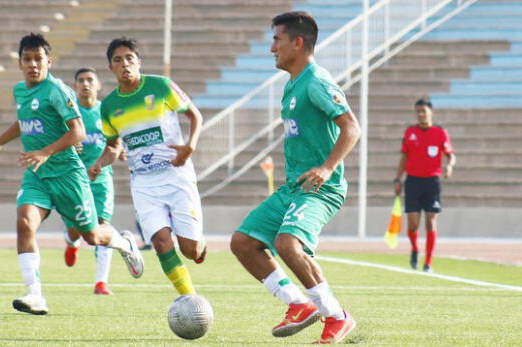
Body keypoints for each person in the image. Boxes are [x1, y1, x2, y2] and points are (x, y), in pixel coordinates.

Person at [0, 33, 144, 315]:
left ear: (48, 61)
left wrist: (45, 152)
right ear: (19, 63)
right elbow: (24, 122)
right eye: (27, 59)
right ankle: (35, 294)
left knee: (91, 236)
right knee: (25, 223)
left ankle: (124, 242)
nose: (33, 64)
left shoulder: (57, 91)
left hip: (68, 174)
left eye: (38, 59)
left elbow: (77, 131)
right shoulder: (20, 90)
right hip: (37, 175)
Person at [229, 12, 361, 344]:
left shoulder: (316, 81)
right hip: (293, 188)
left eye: (277, 40)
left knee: (288, 244)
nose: (272, 48)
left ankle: (336, 316)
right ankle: (299, 304)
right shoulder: (292, 83)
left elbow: (352, 127)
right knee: (243, 243)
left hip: (320, 189)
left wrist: (327, 167)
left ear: (297, 43)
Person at [90, 37, 206, 296]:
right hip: (143, 182)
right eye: (118, 60)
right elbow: (112, 146)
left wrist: (190, 146)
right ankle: (190, 299)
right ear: (111, 68)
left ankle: (200, 244)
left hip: (176, 174)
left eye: (130, 58)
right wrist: (98, 163)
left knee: (191, 250)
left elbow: (194, 114)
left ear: (139, 62)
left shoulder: (161, 86)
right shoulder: (108, 106)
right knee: (161, 243)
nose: (125, 64)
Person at [62, 67, 117, 295]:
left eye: (90, 80)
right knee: (77, 230)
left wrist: (106, 160)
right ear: (75, 86)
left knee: (102, 224)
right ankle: (71, 241)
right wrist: (70, 144)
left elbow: (116, 142)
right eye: (81, 80)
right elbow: (58, 142)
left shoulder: (105, 112)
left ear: (98, 85)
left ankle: (101, 282)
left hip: (102, 178)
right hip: (75, 179)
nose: (85, 84)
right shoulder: (69, 113)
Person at [394, 98, 456, 273]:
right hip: (413, 181)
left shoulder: (440, 132)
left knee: (431, 221)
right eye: (418, 111)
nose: (421, 114)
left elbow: (450, 155)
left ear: (431, 112)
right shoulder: (410, 132)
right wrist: (398, 179)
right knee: (413, 224)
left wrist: (450, 165)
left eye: (424, 111)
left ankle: (428, 262)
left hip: (432, 182)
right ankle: (415, 249)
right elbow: (404, 157)